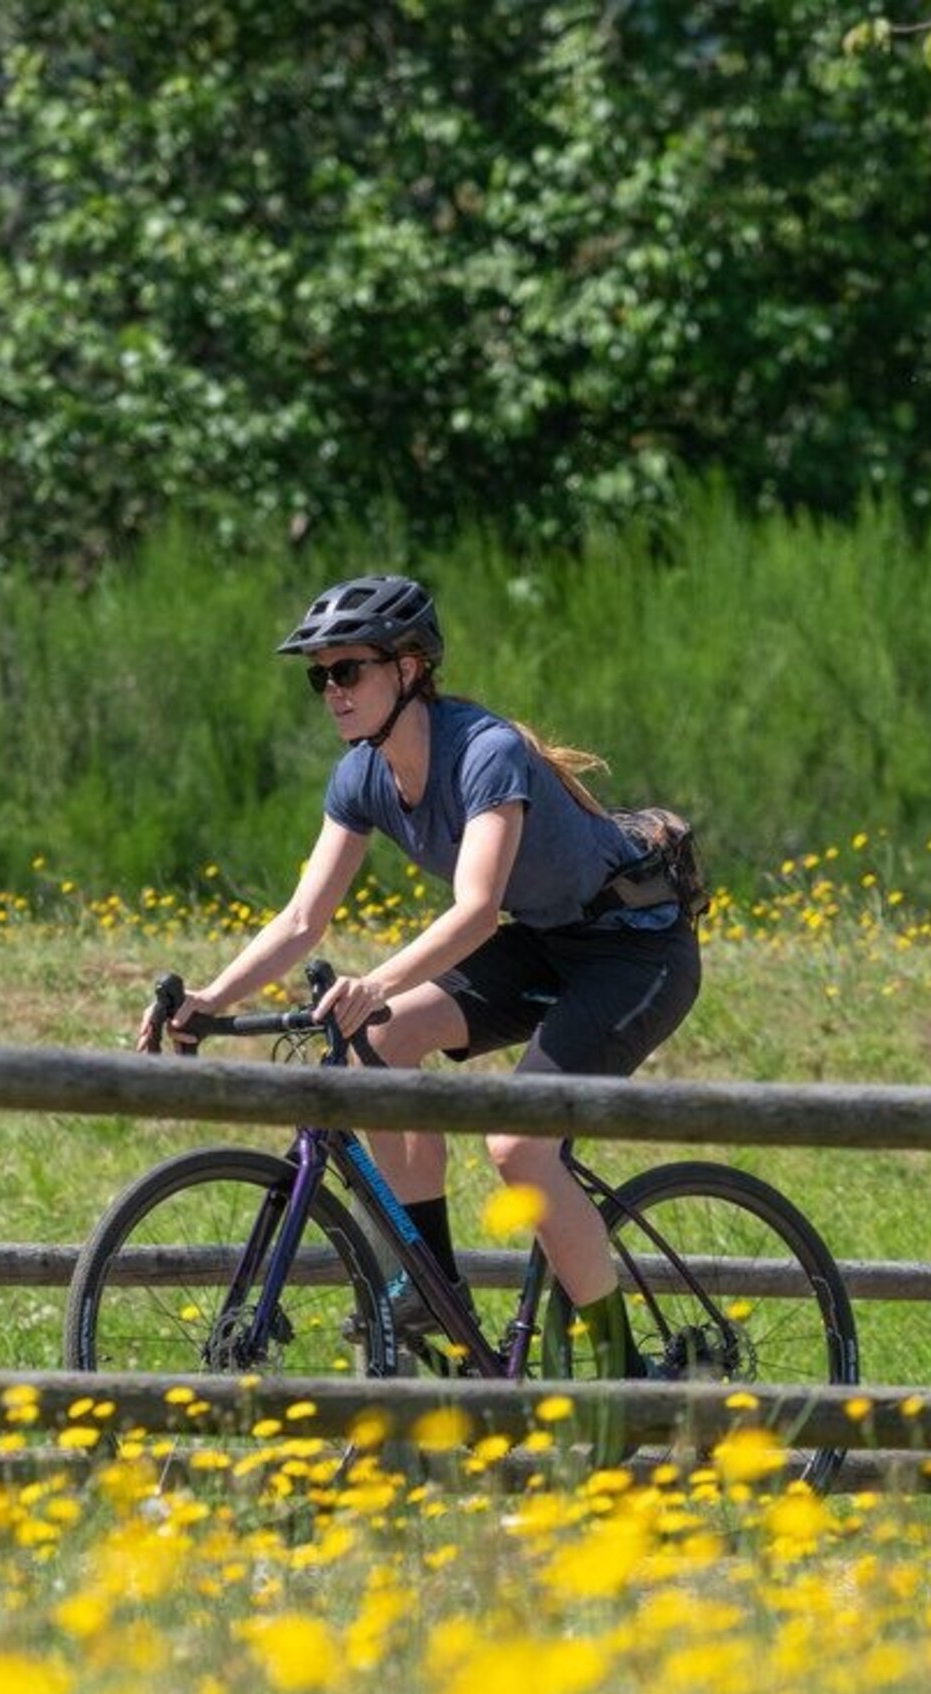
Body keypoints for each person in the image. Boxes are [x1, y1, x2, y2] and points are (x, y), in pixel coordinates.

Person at [141, 571, 702, 1377]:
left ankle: (625, 1375)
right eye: (319, 675)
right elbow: (303, 918)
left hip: (635, 949)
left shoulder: (486, 752)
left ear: (407, 669)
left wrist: (374, 981)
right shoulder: (363, 776)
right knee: (382, 1041)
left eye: (348, 670)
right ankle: (431, 1287)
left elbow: (475, 910)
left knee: (517, 1147)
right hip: (547, 939)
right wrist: (210, 998)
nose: (330, 690)